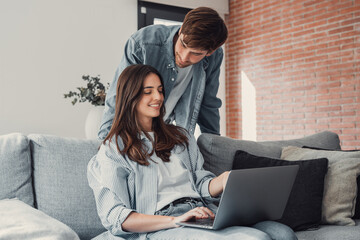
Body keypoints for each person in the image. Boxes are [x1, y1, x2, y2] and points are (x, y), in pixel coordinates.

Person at [88, 64, 298, 240]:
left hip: (202, 211)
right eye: (148, 91)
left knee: (282, 233)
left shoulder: (181, 137)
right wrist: (175, 220)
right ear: (129, 97)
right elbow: (116, 217)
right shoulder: (114, 148)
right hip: (162, 223)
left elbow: (199, 184)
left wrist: (224, 180)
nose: (158, 97)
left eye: (160, 90)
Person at [98, 7, 228, 140]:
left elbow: (208, 104)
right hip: (132, 130)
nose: (183, 57)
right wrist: (104, 141)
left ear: (210, 52)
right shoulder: (142, 43)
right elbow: (118, 97)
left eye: (195, 53)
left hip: (165, 130)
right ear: (181, 29)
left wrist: (214, 147)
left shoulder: (214, 57)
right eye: (183, 44)